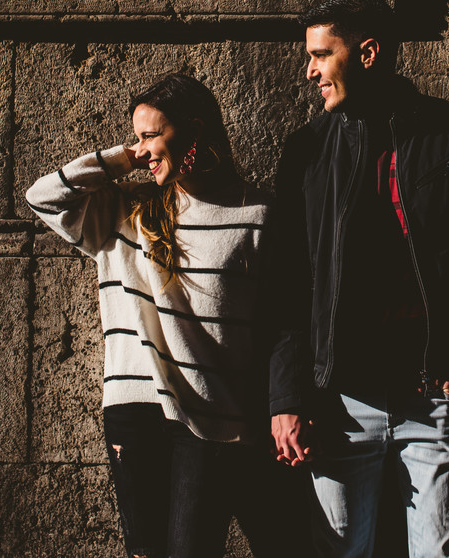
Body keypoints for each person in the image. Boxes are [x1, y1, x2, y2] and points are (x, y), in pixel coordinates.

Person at [26, 73, 309, 558]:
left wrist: (283, 403)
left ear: (193, 131)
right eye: (135, 138)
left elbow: (282, 320)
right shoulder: (125, 209)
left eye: (150, 135)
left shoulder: (257, 212)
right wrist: (125, 157)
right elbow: (43, 197)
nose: (142, 149)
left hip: (211, 415)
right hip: (133, 410)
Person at [268, 0, 449, 557]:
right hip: (340, 400)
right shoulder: (306, 152)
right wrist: (286, 396)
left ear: (368, 53)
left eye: (321, 55)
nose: (310, 72)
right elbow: (288, 284)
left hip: (437, 393)